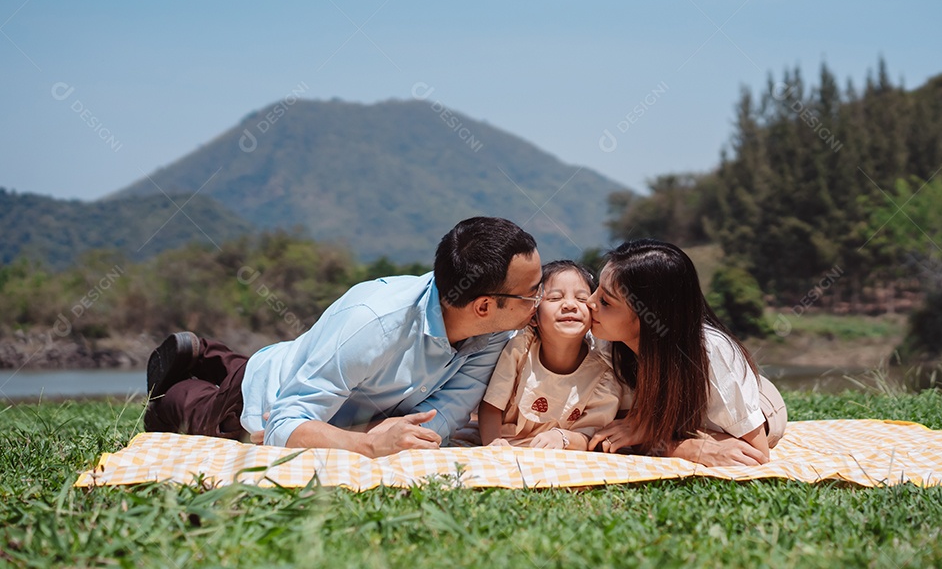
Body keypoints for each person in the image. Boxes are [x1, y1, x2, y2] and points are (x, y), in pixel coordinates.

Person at [143, 216, 542, 458]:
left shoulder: (492, 332)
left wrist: (376, 434)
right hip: (261, 399)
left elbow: (442, 418)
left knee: (274, 363)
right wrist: (368, 444)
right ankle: (179, 384)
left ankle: (208, 353)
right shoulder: (374, 324)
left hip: (308, 367)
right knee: (191, 406)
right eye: (532, 293)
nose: (540, 303)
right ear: (484, 305)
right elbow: (282, 426)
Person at [585, 239, 787, 466]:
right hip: (684, 420)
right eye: (596, 290)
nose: (589, 302)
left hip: (761, 405)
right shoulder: (604, 342)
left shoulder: (711, 353)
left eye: (605, 301)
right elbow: (625, 428)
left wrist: (683, 445)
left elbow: (755, 454)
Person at [478, 260, 621, 450]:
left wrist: (562, 437)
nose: (570, 305)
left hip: (564, 455)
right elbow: (491, 407)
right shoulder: (520, 349)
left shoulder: (604, 370)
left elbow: (591, 436)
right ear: (533, 315)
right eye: (554, 298)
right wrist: (493, 445)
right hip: (508, 445)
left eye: (581, 299)